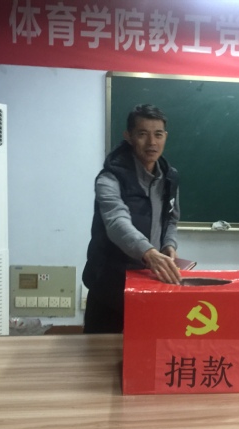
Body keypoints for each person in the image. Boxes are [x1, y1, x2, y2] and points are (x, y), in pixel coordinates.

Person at [82, 104, 182, 334]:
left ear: (165, 137)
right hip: (109, 285)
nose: (152, 142)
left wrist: (169, 245)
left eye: (158, 134)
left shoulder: (170, 178)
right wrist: (149, 252)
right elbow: (116, 222)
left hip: (150, 280)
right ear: (129, 136)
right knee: (102, 351)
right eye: (143, 134)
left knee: (147, 347)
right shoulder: (110, 178)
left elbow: (171, 219)